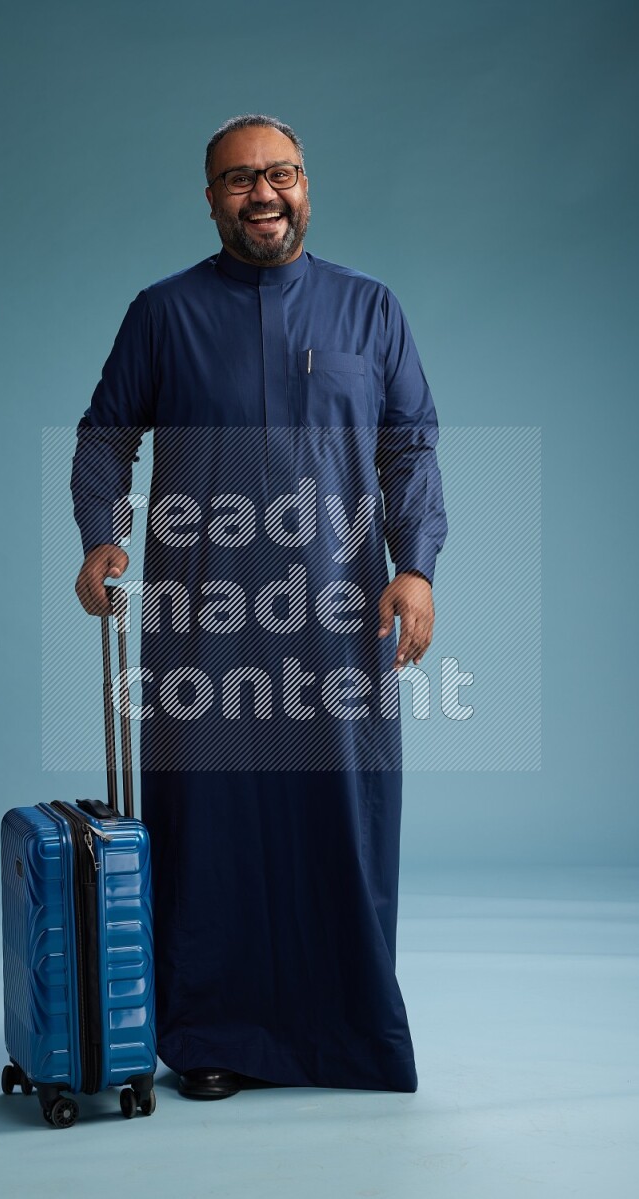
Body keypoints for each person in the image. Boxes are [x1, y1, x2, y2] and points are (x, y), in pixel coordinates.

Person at [71, 114, 447, 1100]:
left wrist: (416, 567)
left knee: (342, 821)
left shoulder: (369, 311)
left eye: (278, 173)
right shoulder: (164, 312)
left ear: (307, 187)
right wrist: (100, 533)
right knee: (212, 828)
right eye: (239, 180)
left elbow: (409, 445)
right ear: (210, 198)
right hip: (204, 620)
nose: (262, 194)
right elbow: (107, 435)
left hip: (338, 616)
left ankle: (347, 1033)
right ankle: (211, 1032)